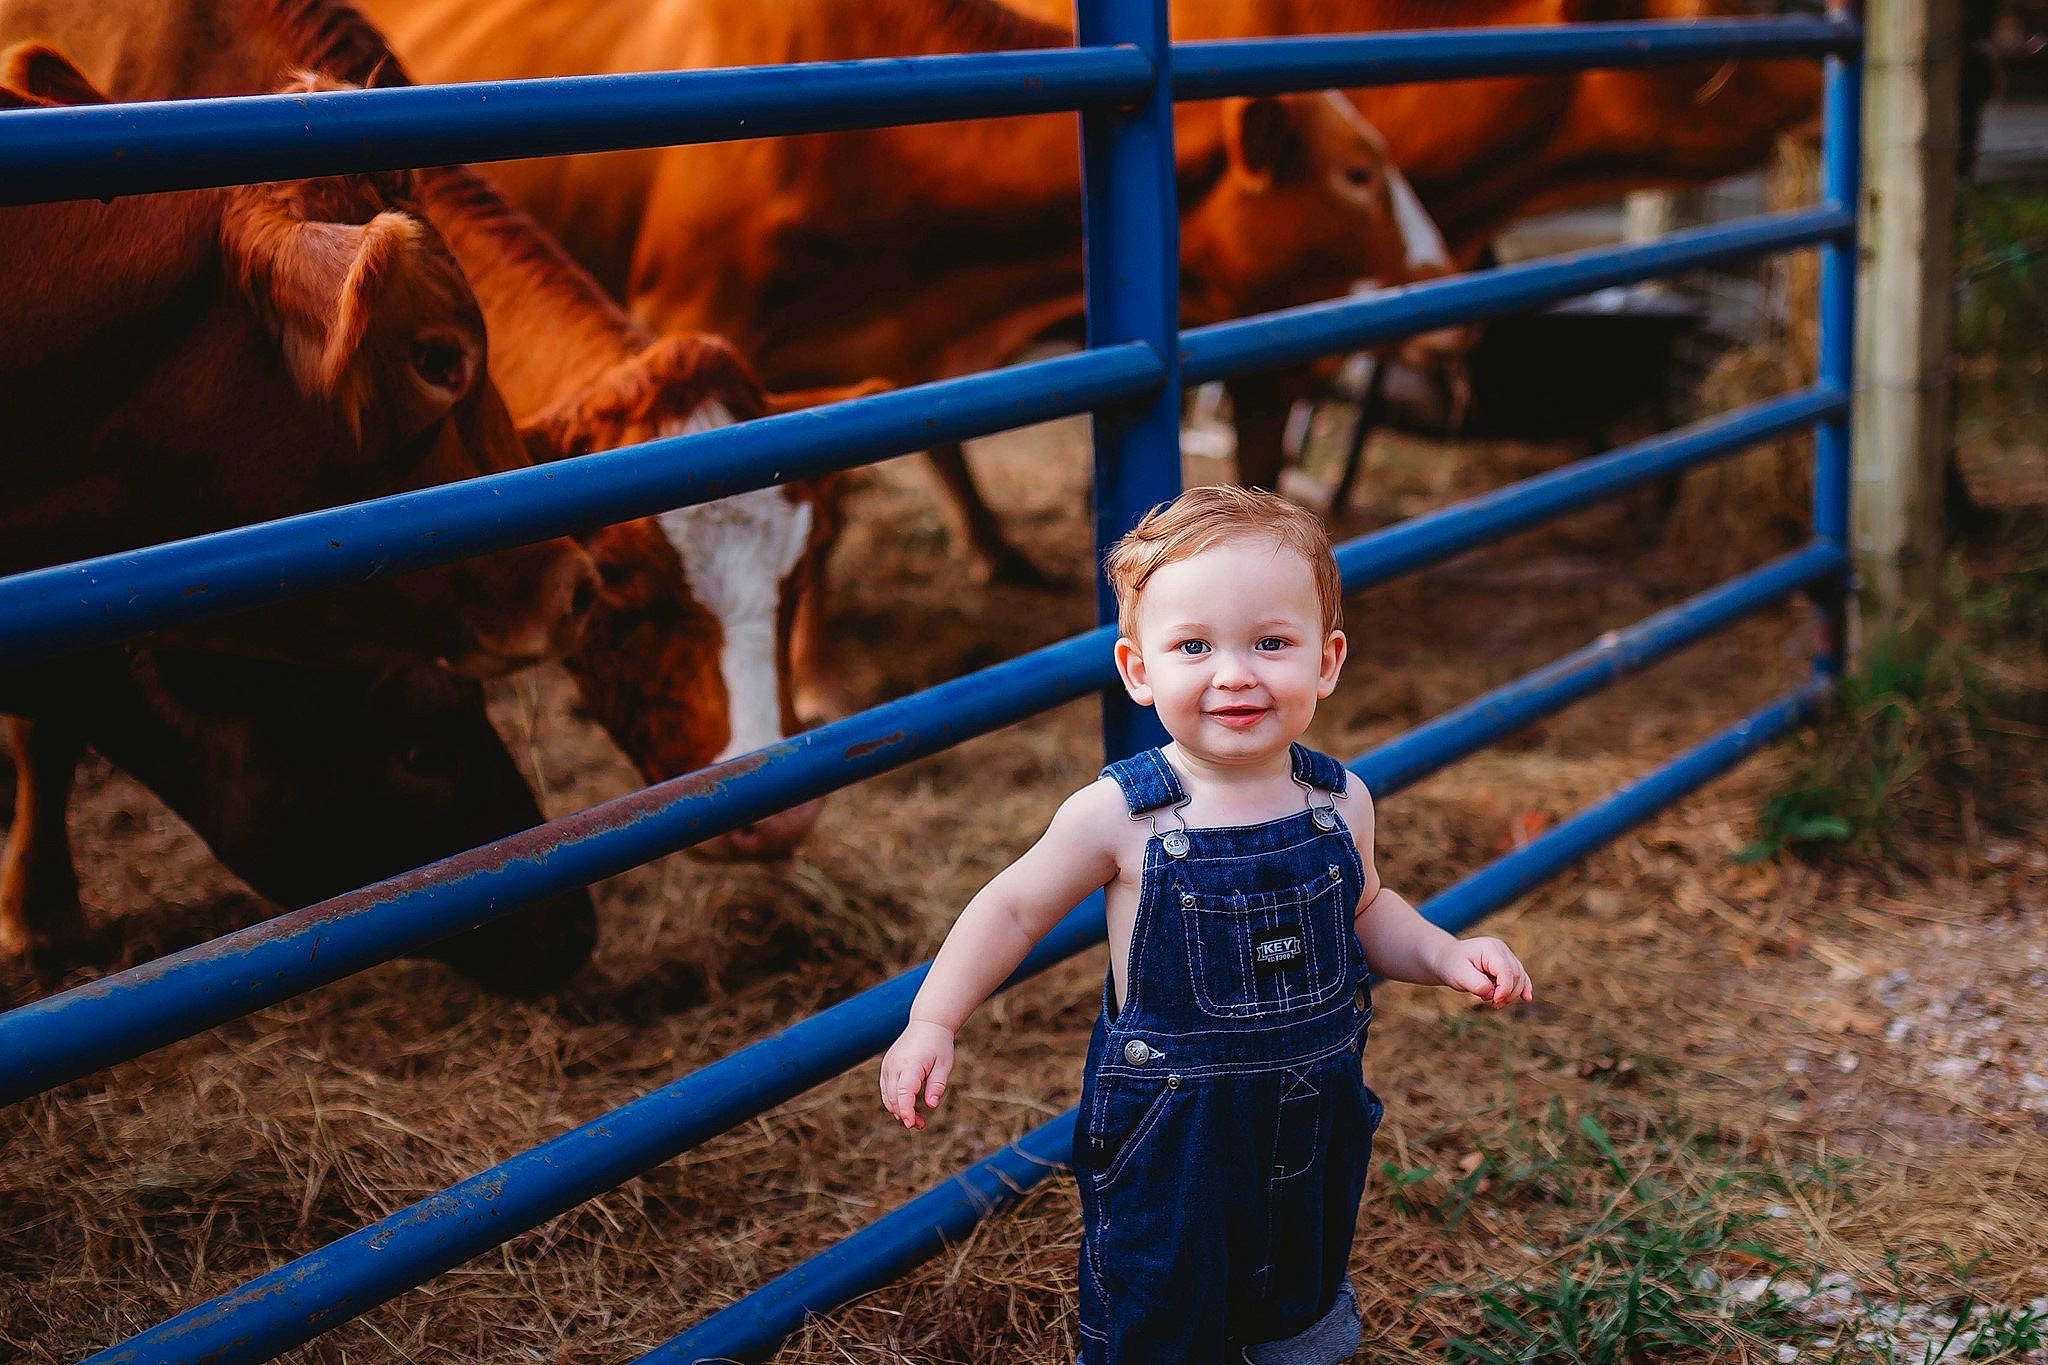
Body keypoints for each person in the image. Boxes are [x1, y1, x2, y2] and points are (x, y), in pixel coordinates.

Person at [880, 484, 1533, 1363]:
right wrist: (934, 1016)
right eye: (1194, 645)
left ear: (1328, 660)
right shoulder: (1120, 813)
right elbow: (1012, 904)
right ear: (1138, 668)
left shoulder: (1340, 800)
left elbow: (1368, 908)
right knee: (1162, 1308)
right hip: (1171, 1137)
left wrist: (1447, 952)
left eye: (1271, 642)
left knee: (1299, 1304)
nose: (1235, 673)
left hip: (1311, 1119)